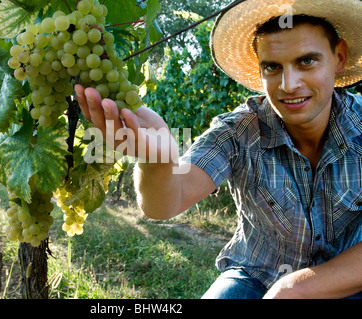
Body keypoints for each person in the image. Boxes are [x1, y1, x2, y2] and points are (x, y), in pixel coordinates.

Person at [74, 0, 362, 299]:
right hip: (256, 277)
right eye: (273, 67)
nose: (289, 84)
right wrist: (156, 161)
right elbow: (165, 205)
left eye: (306, 61)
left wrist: (296, 289)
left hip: (350, 281)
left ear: (339, 57)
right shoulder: (237, 132)